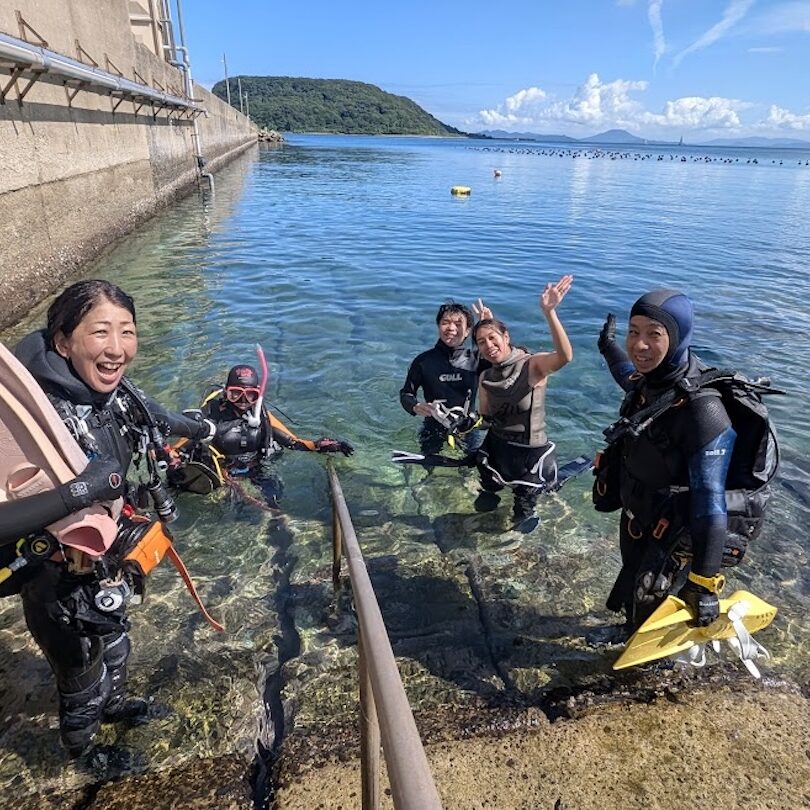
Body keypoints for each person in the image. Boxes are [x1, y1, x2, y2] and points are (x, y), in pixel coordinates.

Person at [0, 279, 216, 759]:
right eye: (100, 332)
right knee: (80, 679)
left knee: (117, 650)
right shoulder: (24, 422)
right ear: (63, 341)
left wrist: (204, 428)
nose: (117, 349)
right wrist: (81, 490)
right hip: (54, 584)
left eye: (127, 332)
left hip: (103, 567)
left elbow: (158, 417)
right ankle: (83, 754)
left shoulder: (114, 394)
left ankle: (114, 707)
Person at [595, 289, 736, 632]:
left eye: (653, 335)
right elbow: (623, 370)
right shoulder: (649, 385)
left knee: (651, 610)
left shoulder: (703, 409)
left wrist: (703, 584)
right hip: (638, 516)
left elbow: (710, 501)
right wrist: (607, 344)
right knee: (634, 588)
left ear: (678, 337)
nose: (639, 345)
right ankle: (628, 633)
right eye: (633, 332)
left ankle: (653, 671)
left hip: (671, 534)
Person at [472, 275, 574, 527]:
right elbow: (485, 418)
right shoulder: (485, 376)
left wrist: (549, 312)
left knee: (522, 514)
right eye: (481, 342)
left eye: (493, 338)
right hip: (496, 449)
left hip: (530, 454)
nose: (488, 345)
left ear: (506, 336)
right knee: (486, 500)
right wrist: (462, 422)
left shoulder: (532, 365)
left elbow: (565, 357)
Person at [177, 363, 353, 508]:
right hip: (225, 473)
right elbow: (180, 445)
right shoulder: (212, 413)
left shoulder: (261, 414)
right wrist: (169, 454)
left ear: (258, 395)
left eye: (250, 395)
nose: (243, 401)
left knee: (274, 504)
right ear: (226, 391)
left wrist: (320, 446)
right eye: (236, 394)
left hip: (257, 468)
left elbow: (293, 442)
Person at [399, 300, 491, 455]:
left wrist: (487, 327)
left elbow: (505, 364)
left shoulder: (477, 359)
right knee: (428, 468)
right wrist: (414, 406)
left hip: (468, 426)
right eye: (445, 322)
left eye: (458, 323)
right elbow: (406, 393)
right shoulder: (423, 361)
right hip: (433, 425)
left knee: (472, 467)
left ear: (469, 330)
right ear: (438, 326)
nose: (451, 328)